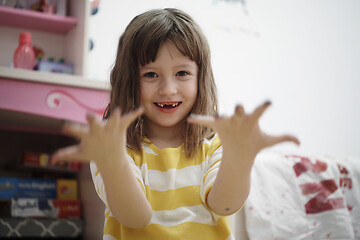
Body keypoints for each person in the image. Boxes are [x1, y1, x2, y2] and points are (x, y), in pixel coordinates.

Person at [51, 8, 300, 240]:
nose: (168, 89)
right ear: (129, 81)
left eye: (182, 73)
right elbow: (134, 217)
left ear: (200, 78)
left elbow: (225, 205)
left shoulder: (214, 143)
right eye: (151, 74)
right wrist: (112, 161)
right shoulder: (115, 147)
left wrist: (240, 158)